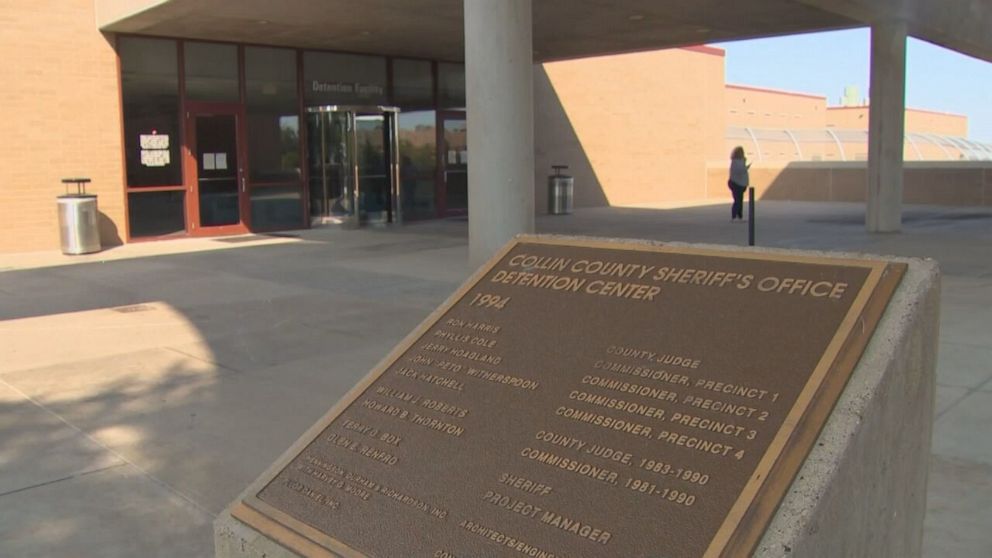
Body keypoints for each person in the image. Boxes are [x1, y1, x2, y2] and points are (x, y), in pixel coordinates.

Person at [727, 146, 750, 221]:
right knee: (738, 200)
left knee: (739, 200)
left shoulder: (737, 161)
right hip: (736, 183)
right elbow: (740, 171)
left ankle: (739, 216)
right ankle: (735, 216)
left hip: (738, 183)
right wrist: (745, 165)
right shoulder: (736, 161)